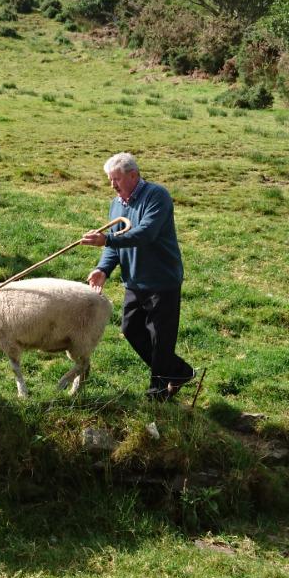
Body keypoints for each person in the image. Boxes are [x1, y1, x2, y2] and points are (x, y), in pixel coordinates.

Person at [81, 152, 196, 402]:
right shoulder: (117, 204)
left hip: (161, 281)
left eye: (117, 179)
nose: (113, 185)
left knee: (160, 339)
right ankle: (178, 372)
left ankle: (157, 395)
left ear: (133, 175)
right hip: (134, 281)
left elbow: (146, 233)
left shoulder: (157, 196)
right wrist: (103, 269)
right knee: (131, 328)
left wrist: (107, 238)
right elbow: (114, 246)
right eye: (110, 180)